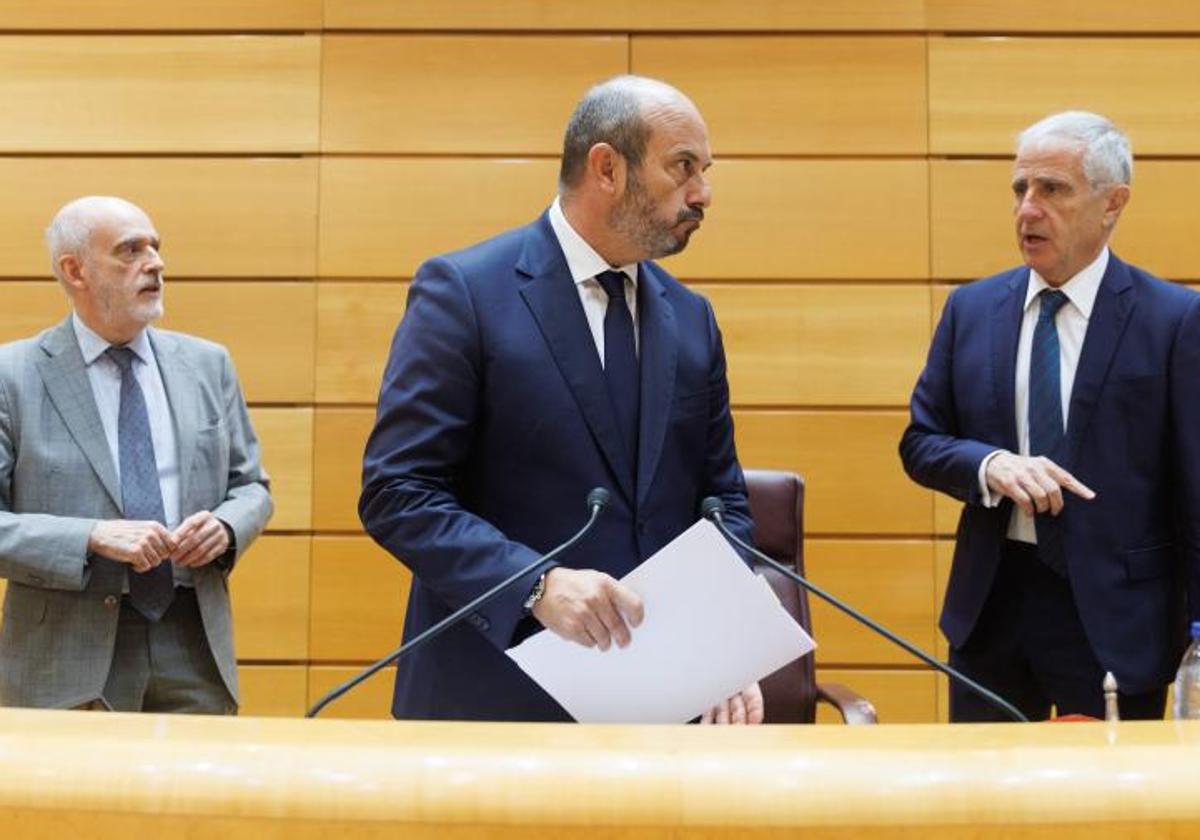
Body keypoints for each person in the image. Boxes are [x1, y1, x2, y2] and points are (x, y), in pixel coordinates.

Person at [360, 76, 761, 723]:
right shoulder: (465, 292)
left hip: (656, 710)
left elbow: (725, 503)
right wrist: (535, 586)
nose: (703, 192)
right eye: (682, 166)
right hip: (492, 701)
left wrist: (718, 651)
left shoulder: (691, 319)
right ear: (607, 167)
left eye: (704, 170)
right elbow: (399, 493)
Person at [900, 111, 1200, 721]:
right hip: (992, 607)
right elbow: (921, 442)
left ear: (1112, 203)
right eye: (1020, 189)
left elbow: (1195, 487)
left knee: (1113, 809)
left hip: (1118, 616)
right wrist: (988, 465)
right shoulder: (973, 309)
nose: (1027, 210)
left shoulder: (1172, 320)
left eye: (1052, 190)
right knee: (985, 803)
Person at [0, 196, 273, 713]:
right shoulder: (12, 376)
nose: (155, 263)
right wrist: (89, 536)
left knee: (197, 792)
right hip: (66, 650)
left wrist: (228, 526)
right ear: (74, 270)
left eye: (155, 247)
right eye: (130, 250)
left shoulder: (207, 364)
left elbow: (251, 487)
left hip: (192, 637)